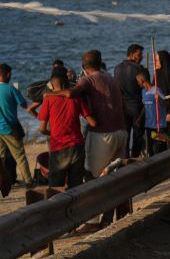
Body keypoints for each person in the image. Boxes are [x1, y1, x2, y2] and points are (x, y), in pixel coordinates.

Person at [46, 50, 127, 180]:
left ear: (83, 67)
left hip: (103, 135)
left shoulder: (87, 79)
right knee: (117, 175)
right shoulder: (109, 77)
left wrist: (49, 94)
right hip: (121, 132)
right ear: (100, 63)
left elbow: (70, 94)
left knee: (92, 175)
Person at [37, 72, 96, 188]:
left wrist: (52, 133)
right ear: (68, 83)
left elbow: (42, 129)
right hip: (77, 146)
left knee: (56, 187)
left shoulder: (49, 99)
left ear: (52, 86)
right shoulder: (76, 98)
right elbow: (92, 122)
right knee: (76, 186)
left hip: (58, 148)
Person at [0, 64, 33, 187]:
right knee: (20, 156)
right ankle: (29, 181)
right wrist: (17, 93)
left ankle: (3, 181)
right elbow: (24, 104)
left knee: (1, 157)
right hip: (9, 129)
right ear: (7, 74)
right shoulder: (11, 89)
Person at [113, 44, 145, 157]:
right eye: (139, 55)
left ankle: (125, 158)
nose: (141, 58)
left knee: (125, 135)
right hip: (136, 108)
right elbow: (146, 88)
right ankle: (135, 157)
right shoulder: (139, 69)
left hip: (122, 108)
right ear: (131, 55)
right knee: (137, 135)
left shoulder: (117, 68)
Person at [136, 69, 170, 156]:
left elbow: (166, 103)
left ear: (142, 80)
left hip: (159, 126)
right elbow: (145, 106)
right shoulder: (143, 92)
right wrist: (139, 119)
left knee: (159, 150)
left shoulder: (156, 90)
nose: (137, 83)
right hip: (148, 126)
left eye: (138, 81)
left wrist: (159, 99)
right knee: (150, 151)